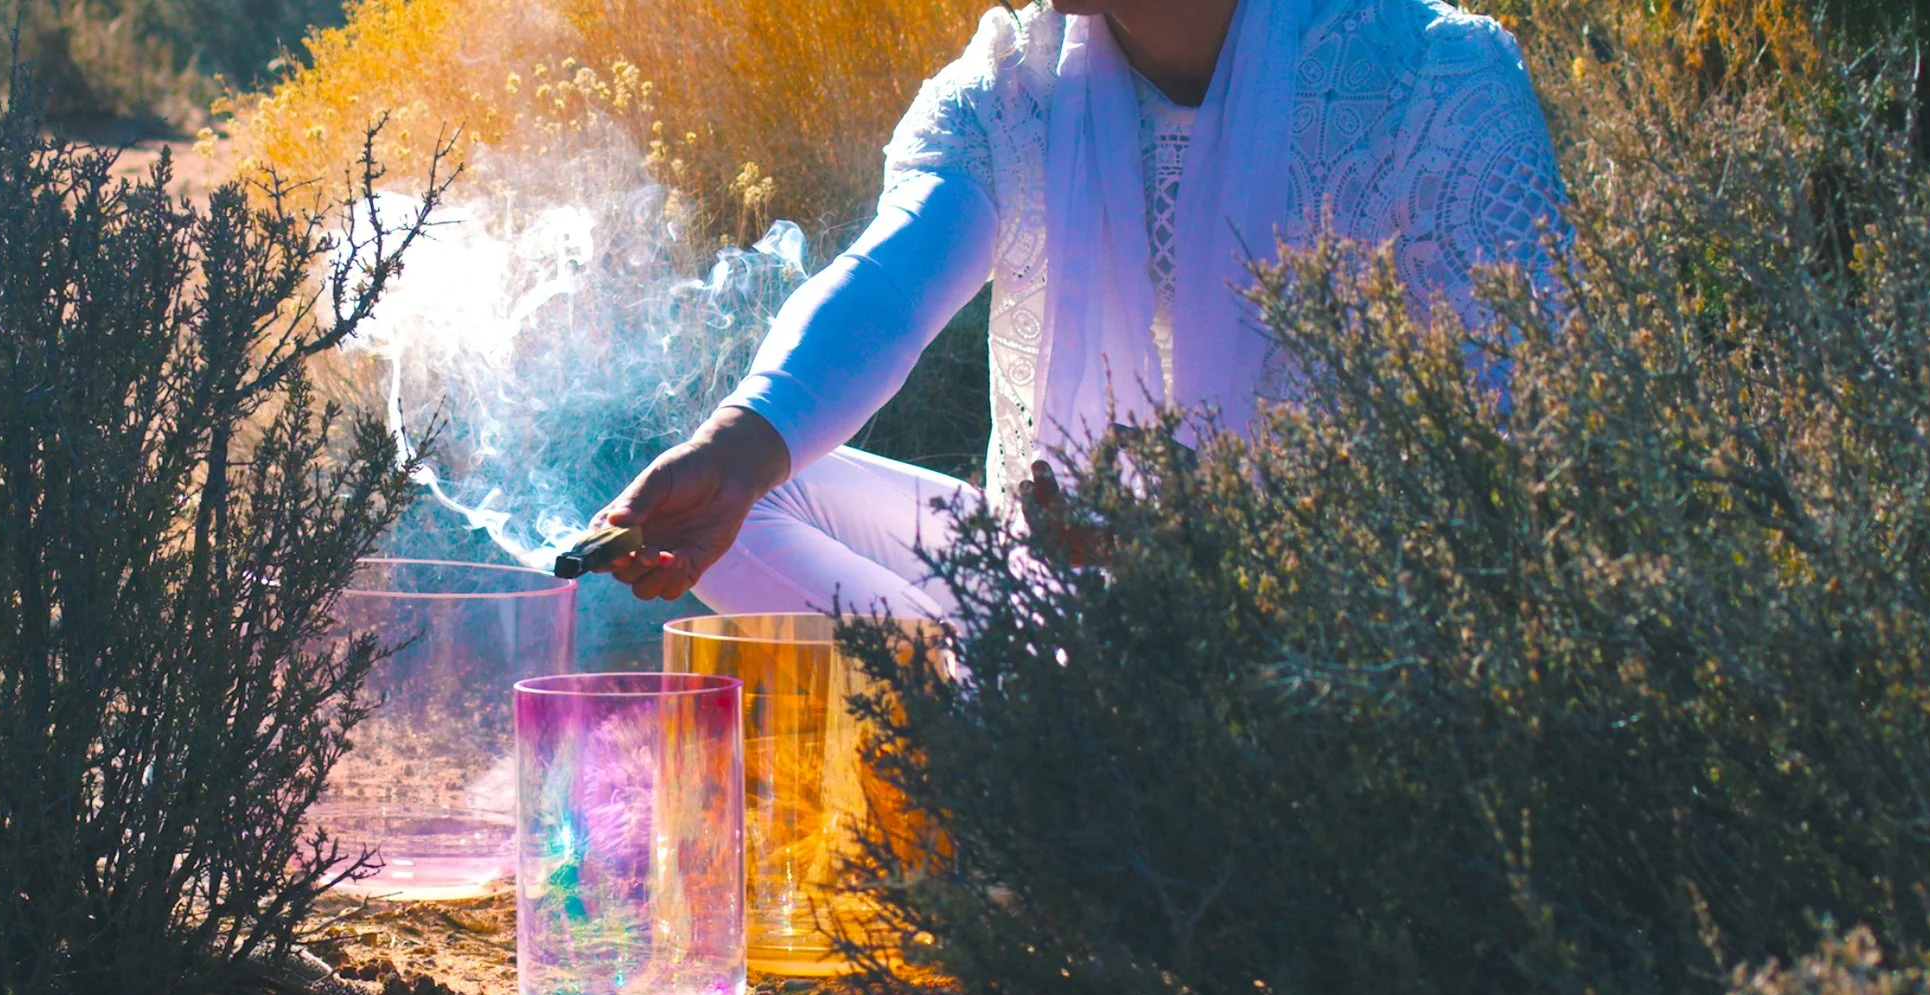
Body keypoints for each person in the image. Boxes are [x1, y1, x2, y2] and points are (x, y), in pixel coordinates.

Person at [593, 0, 1567, 618]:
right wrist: (737, 444)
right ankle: (1011, 742)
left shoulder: (1433, 85)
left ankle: (1009, 758)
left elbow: (1519, 475)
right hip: (1052, 587)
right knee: (746, 494)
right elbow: (890, 280)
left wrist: (1208, 557)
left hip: (1330, 646)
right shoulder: (1012, 87)